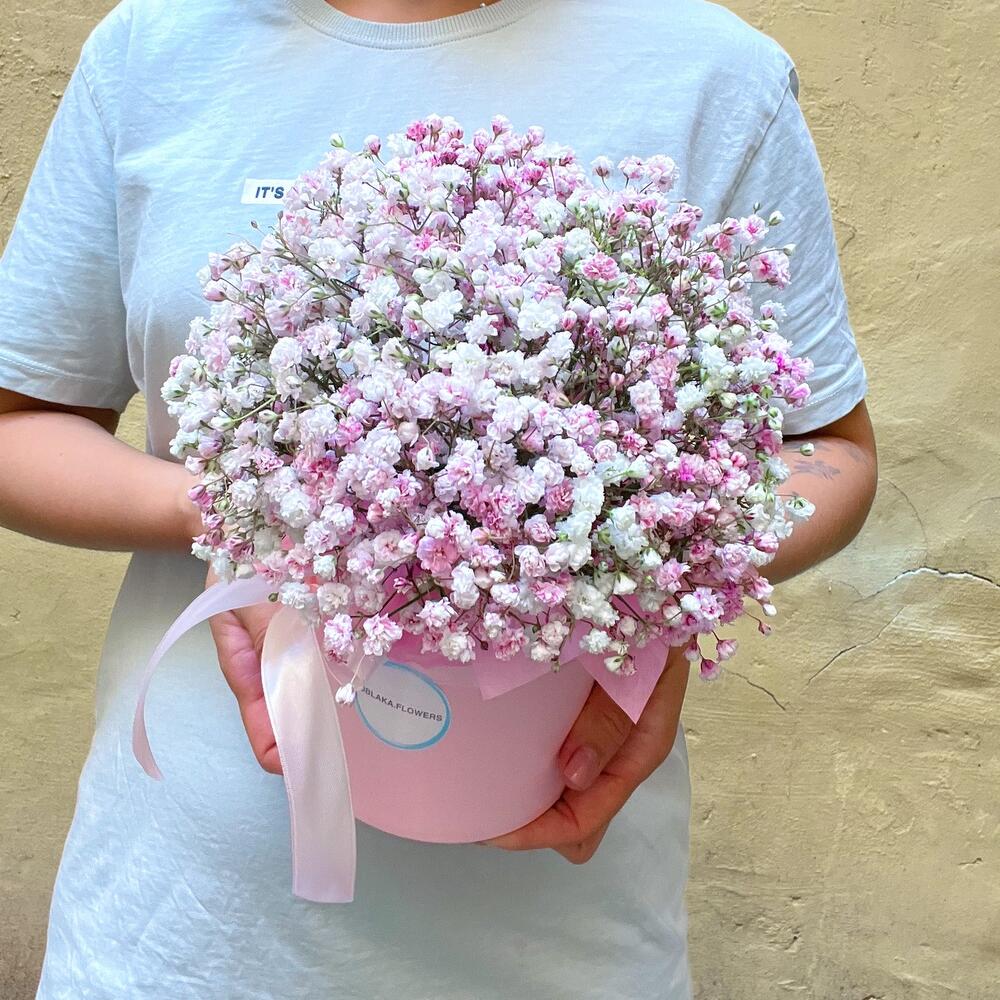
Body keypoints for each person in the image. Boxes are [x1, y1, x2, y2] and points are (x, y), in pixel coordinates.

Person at [0, 0, 877, 996]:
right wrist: (259, 516)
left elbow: (829, 452)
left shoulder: (711, 73)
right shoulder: (156, 48)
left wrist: (665, 573)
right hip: (183, 934)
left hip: (558, 943)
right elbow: (20, 425)